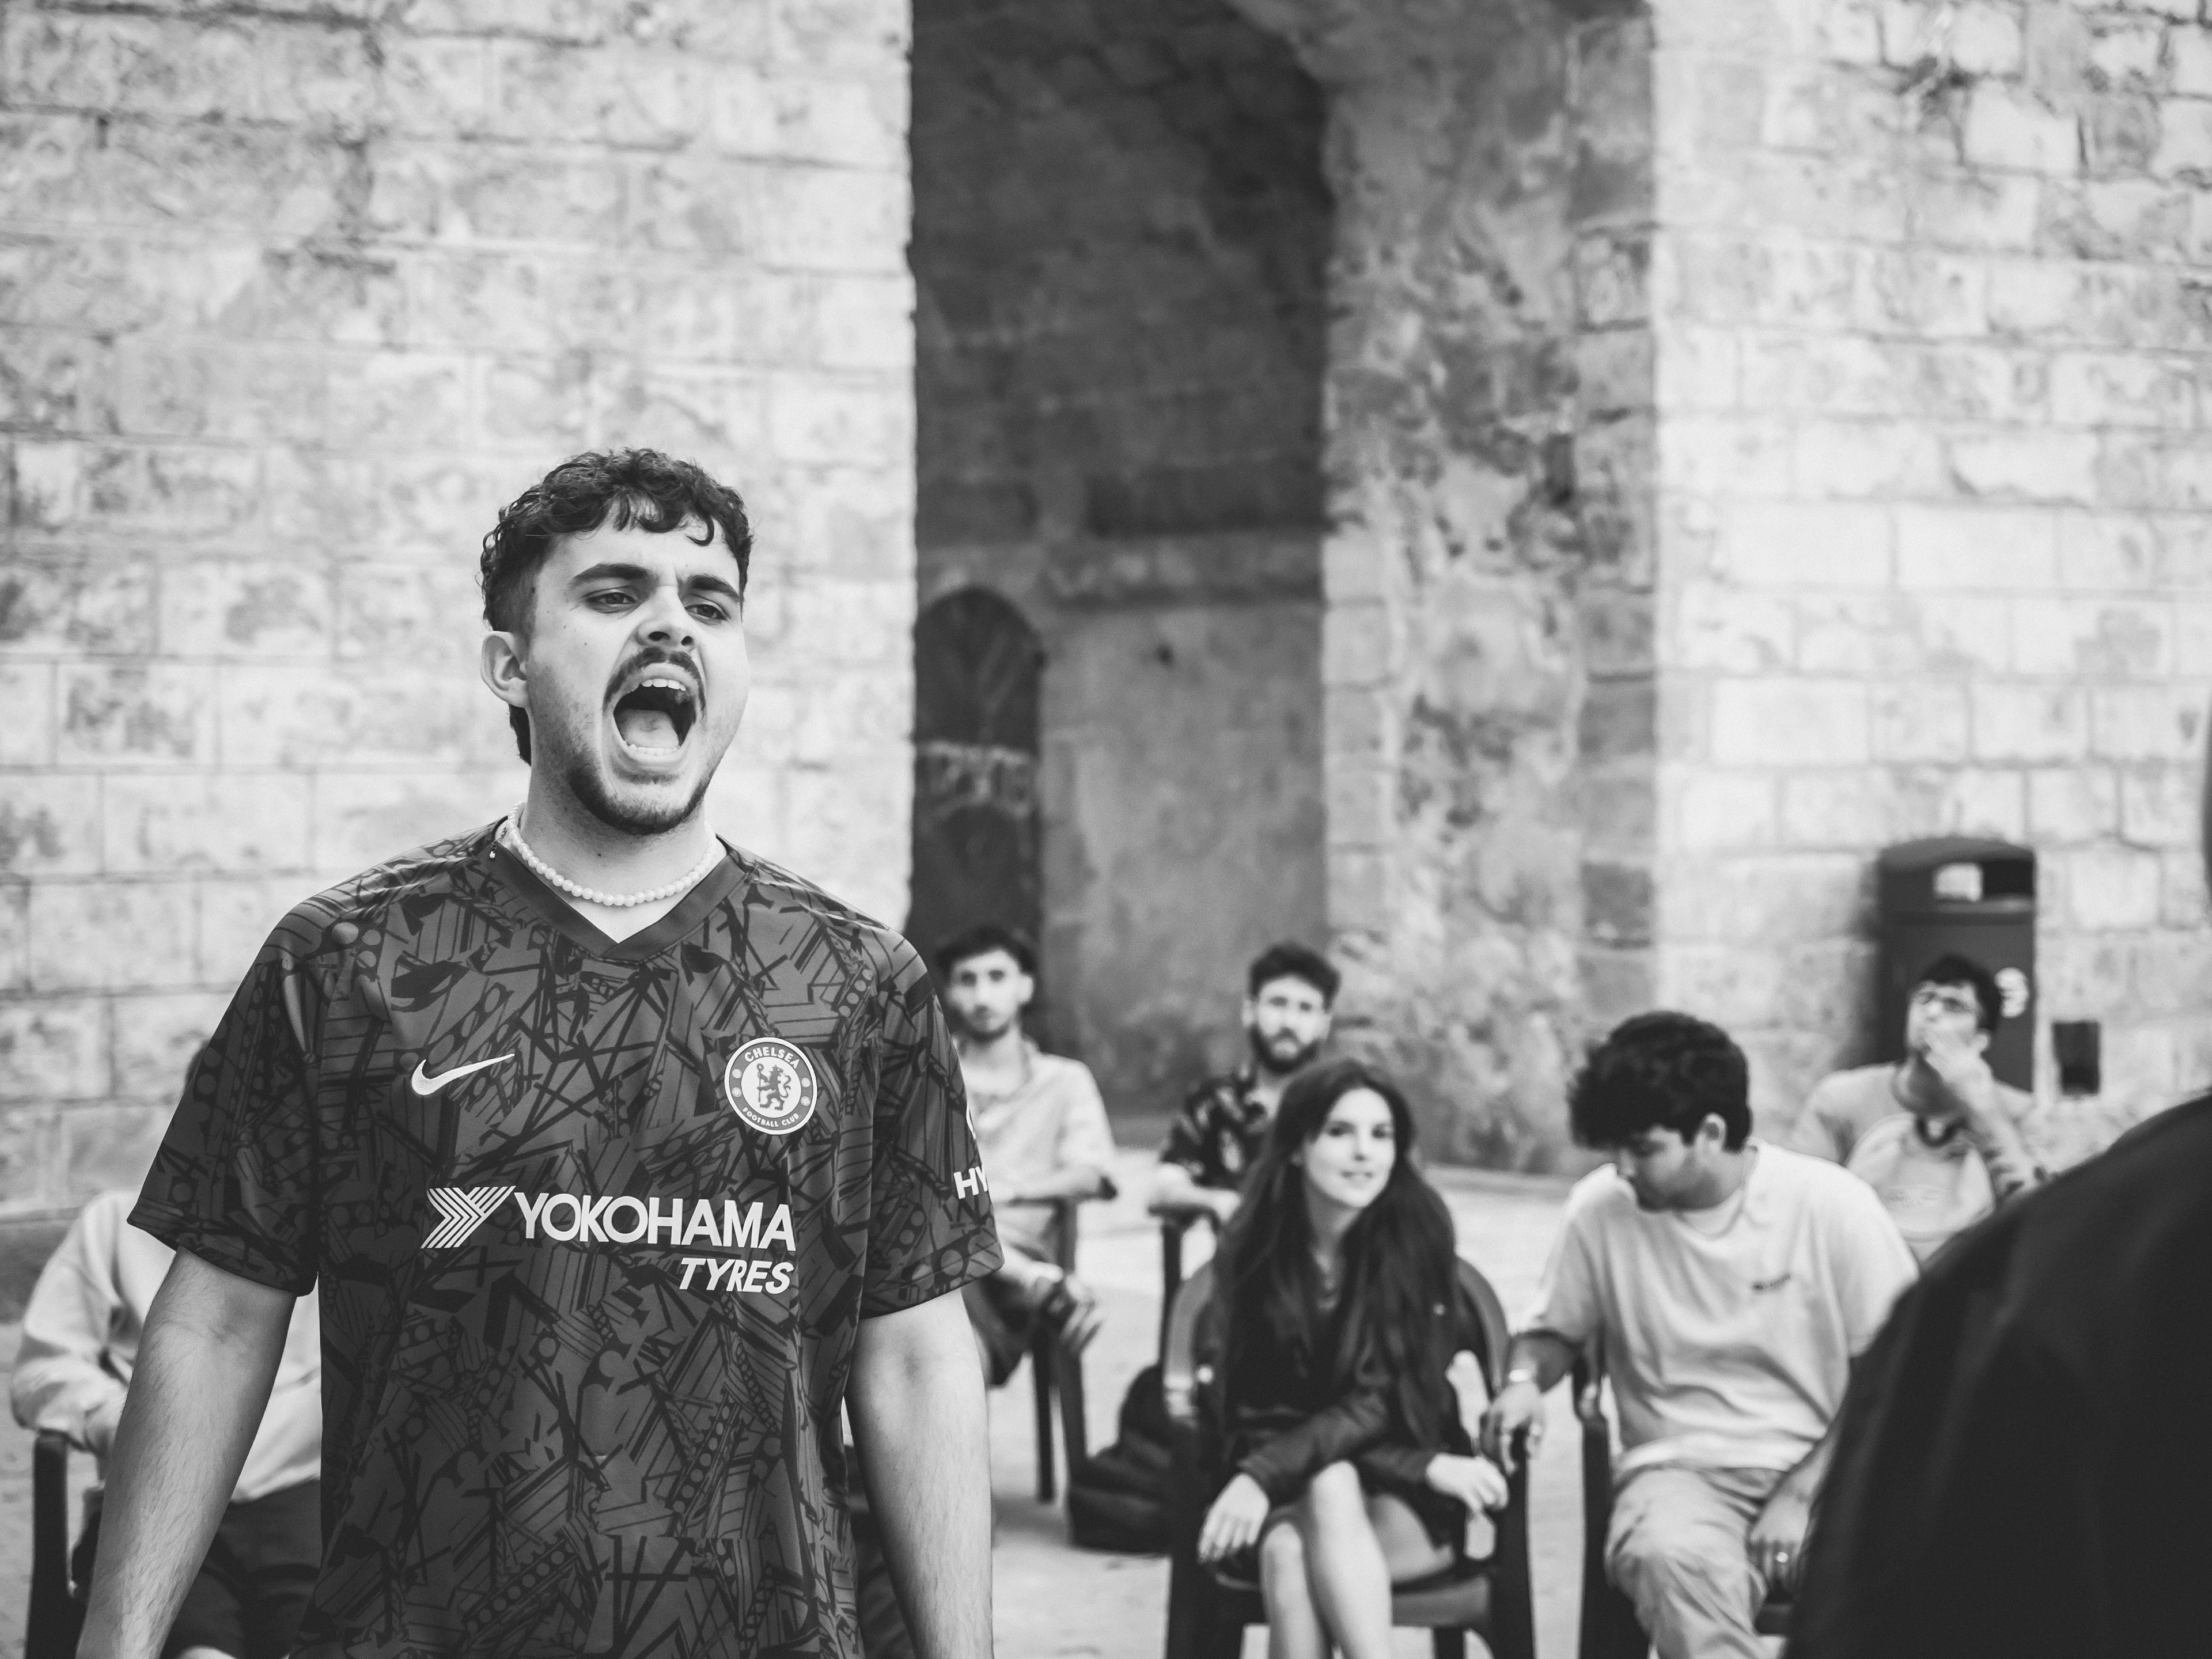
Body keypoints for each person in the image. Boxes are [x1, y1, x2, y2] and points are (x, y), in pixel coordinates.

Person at [82, 450, 999, 1659]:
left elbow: (919, 1355)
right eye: (613, 594)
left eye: (710, 603)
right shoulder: (347, 959)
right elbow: (214, 1327)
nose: (671, 623)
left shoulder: (861, 982)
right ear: (509, 665)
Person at [1785, 737, 2212, 1658]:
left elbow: (2036, 1222)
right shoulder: (1851, 1102)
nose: (1934, 1020)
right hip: (1866, 1316)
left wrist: (1980, 1108)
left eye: (1956, 1010)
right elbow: (1804, 1212)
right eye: (1927, 1001)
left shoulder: (2036, 1220)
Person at [1480, 1012, 1916, 1659]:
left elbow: (1898, 1368)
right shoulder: (1600, 1209)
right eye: (1614, 1149)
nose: (1623, 1168)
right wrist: (1522, 1382)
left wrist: (1800, 1494)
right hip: (1678, 1474)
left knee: (1924, 1568)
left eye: (1643, 1149)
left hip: (1829, 1470)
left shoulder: (1831, 1204)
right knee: (1670, 1558)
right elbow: (1552, 1332)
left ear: (1711, 1133)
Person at [1195, 1058, 1510, 1659]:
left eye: (1381, 1134)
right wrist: (1267, 1474)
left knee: (1315, 1512)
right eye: (1340, 1132)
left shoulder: (1418, 1235)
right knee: (1305, 1521)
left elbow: (1388, 1400)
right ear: (1296, 1147)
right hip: (1287, 1495)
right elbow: (1252, 1412)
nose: (1364, 1153)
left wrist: (1267, 1473)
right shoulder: (1254, 1248)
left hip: (1404, 1500)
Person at [13, 1188, 323, 1659]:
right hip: (153, 1493)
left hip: (298, 1499)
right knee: (194, 1648)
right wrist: (127, 1423)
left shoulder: (322, 1216)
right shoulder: (114, 1219)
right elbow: (44, 1366)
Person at [937, 922, 1113, 1383]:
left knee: (940, 1320)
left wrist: (1012, 1192)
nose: (983, 996)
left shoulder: (1065, 1081)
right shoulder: (930, 1074)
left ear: (1025, 987)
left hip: (1012, 1263)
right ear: (950, 993)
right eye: (968, 980)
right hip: (932, 1254)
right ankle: (1037, 1282)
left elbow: (1092, 1173)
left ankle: (1027, 1278)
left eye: (997, 977)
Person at [1789, 950, 2047, 1260]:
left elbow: (2041, 1227)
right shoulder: (1841, 1100)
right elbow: (1795, 1210)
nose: (1932, 1012)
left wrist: (1986, 1112)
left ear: (1981, 1039)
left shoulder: (2017, 1113)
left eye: (1954, 1005)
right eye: (1924, 998)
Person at [1153, 942, 1339, 1226]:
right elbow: (1162, 1191)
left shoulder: (1345, 1102)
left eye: (1306, 1008)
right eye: (1278, 1003)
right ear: (1250, 1011)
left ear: (1324, 1023)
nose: (1289, 1023)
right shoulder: (1215, 1101)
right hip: (1240, 1252)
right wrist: (1216, 1200)